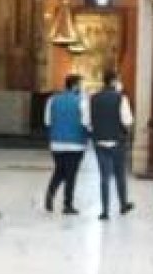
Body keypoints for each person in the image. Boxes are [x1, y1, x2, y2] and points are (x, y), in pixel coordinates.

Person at [88, 69, 134, 220]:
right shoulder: (121, 98)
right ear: (114, 81)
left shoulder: (93, 98)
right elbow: (127, 121)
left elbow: (89, 122)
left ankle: (105, 211)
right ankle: (123, 205)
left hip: (100, 141)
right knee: (120, 175)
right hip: (117, 141)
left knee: (104, 177)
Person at [43, 73, 88, 214]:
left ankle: (50, 194)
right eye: (80, 84)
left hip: (56, 143)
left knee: (60, 170)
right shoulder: (82, 101)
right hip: (76, 143)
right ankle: (67, 204)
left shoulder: (52, 100)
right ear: (75, 85)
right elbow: (86, 122)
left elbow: (47, 121)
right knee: (71, 174)